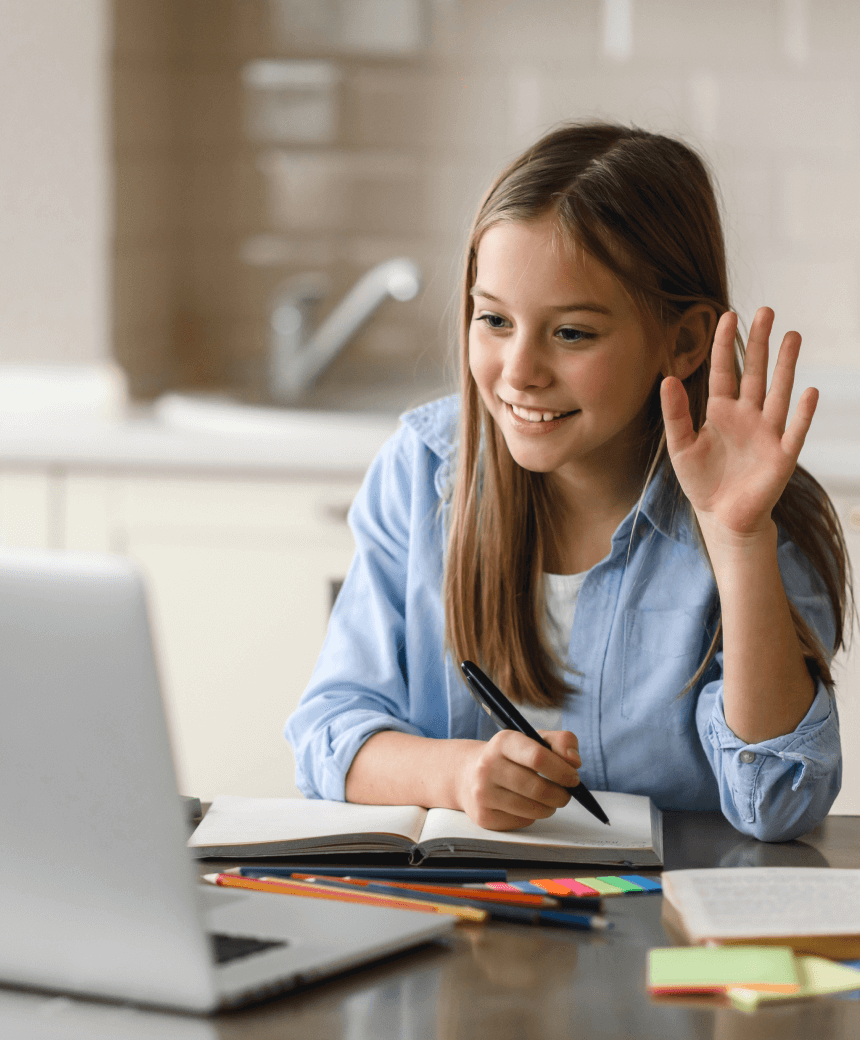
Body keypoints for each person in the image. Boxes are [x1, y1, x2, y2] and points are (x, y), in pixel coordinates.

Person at [285, 123, 851, 842]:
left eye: (572, 333)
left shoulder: (758, 507)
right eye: (493, 319)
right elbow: (329, 733)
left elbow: (778, 805)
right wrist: (457, 775)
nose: (519, 370)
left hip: (668, 927)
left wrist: (739, 543)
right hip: (475, 921)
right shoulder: (424, 471)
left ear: (682, 340)